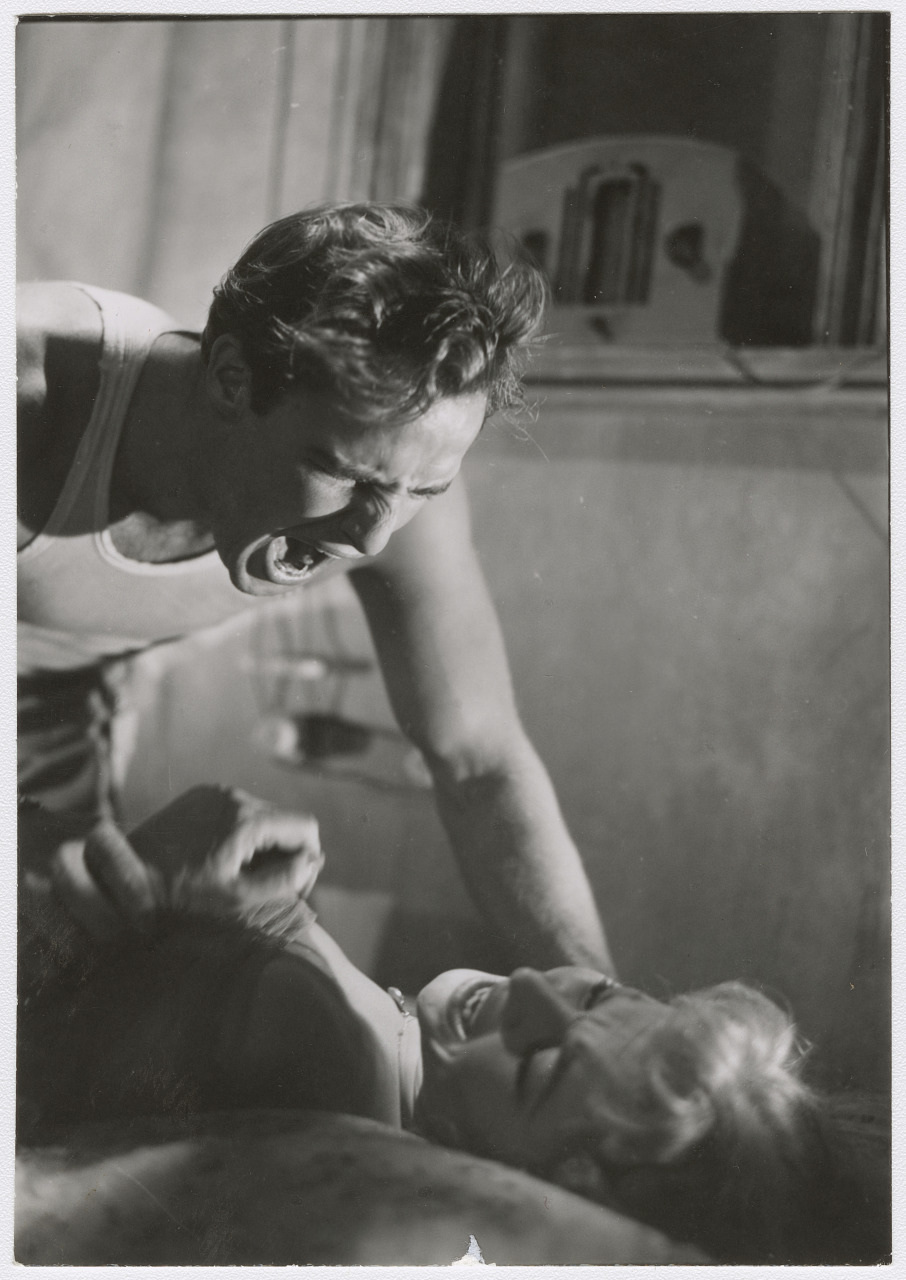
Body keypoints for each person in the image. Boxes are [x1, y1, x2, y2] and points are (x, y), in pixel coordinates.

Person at [17, 202, 610, 972]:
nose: (371, 536)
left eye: (422, 490)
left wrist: (603, 1006)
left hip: (54, 722)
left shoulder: (400, 489)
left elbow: (480, 762)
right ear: (232, 379)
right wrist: (32, 841)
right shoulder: (27, 400)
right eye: (345, 472)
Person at [18, 788, 867, 1265]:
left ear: (518, 1188)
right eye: (599, 996)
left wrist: (134, 868)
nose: (532, 985)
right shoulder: (358, 1045)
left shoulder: (334, 1057)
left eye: (540, 1069)